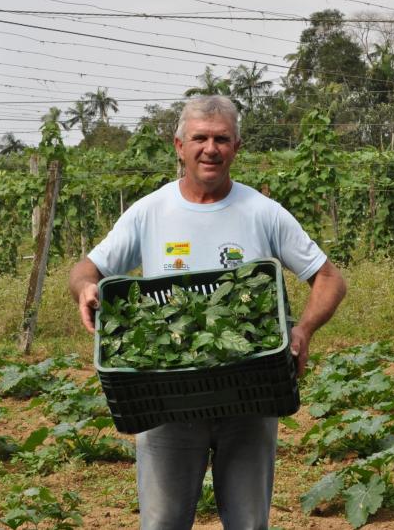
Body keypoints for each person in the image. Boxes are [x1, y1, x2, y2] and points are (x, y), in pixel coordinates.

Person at [69, 95, 346, 530]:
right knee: (162, 524)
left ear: (237, 146)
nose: (210, 149)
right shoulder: (149, 212)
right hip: (166, 400)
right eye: (199, 138)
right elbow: (87, 269)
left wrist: (303, 329)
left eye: (221, 139)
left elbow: (330, 279)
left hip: (249, 396)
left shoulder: (263, 213)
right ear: (179, 145)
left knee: (249, 524)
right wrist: (86, 287)